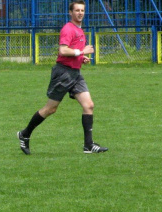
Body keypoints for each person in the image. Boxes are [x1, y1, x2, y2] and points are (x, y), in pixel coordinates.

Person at [17, 0, 108, 155]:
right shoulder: (68, 29)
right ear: (70, 13)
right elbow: (63, 51)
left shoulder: (79, 30)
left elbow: (73, 52)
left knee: (89, 105)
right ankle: (24, 134)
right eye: (77, 10)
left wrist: (81, 58)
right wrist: (82, 52)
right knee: (50, 109)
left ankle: (88, 145)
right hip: (63, 74)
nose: (80, 13)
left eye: (82, 10)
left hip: (75, 74)